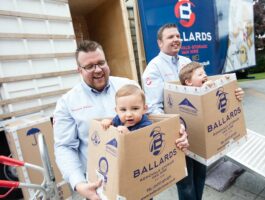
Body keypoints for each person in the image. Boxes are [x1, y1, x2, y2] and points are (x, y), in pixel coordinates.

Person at [53, 40, 189, 200]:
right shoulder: (67, 102)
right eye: (89, 66)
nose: (97, 70)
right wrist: (79, 184)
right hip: (101, 187)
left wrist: (176, 132)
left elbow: (152, 116)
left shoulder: (129, 85)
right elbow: (64, 147)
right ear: (79, 70)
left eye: (101, 63)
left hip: (140, 178)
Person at [142, 23, 244, 200]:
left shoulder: (186, 62)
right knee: (186, 183)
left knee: (200, 175)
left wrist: (233, 93)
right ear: (159, 43)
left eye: (177, 36)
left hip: (198, 132)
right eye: (170, 37)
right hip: (178, 136)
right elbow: (154, 108)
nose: (176, 40)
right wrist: (176, 128)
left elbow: (204, 91)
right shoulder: (154, 69)